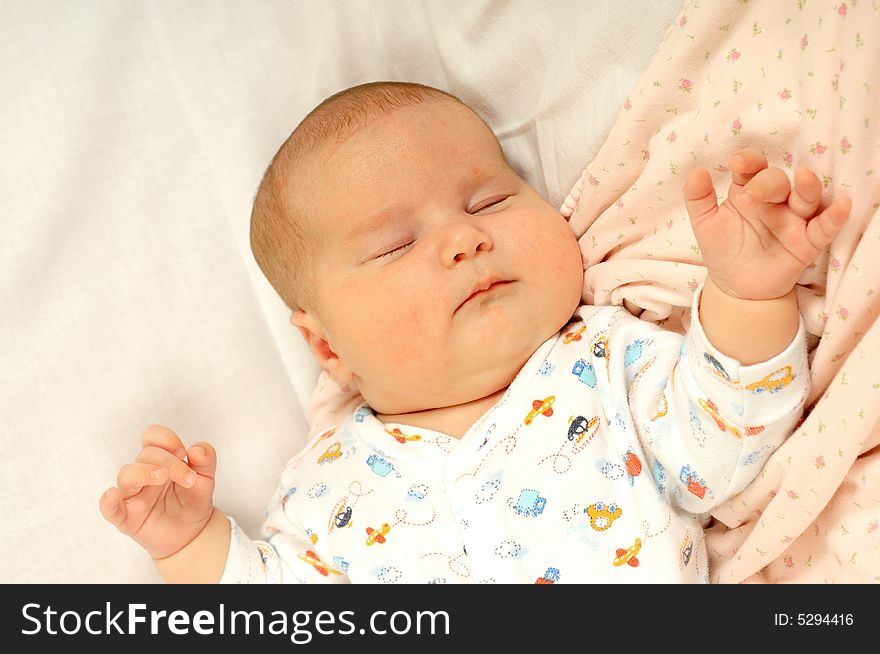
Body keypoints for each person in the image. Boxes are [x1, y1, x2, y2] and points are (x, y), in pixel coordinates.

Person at [99, 82, 852, 583]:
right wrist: (191, 544)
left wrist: (748, 291)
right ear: (328, 349)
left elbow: (721, 442)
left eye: (490, 200)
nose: (463, 239)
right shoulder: (327, 483)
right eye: (396, 246)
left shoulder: (601, 362)